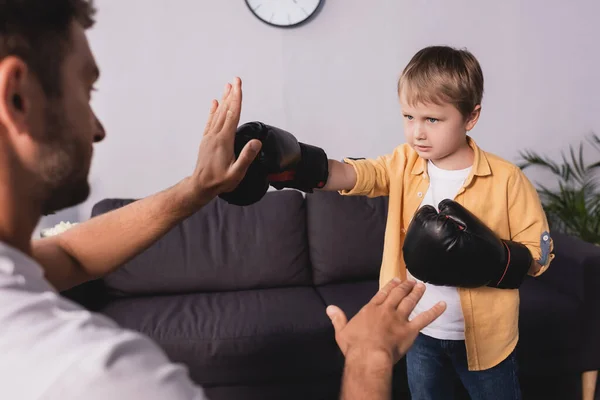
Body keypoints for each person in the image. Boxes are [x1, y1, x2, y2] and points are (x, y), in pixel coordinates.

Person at [0, 1, 446, 399]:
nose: (97, 128)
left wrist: (198, 188)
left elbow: (70, 254)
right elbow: (359, 172)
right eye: (87, 90)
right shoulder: (104, 377)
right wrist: (369, 359)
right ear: (17, 97)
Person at [221, 46, 555, 399]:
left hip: (488, 341)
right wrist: (301, 164)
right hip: (417, 333)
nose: (417, 133)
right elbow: (357, 174)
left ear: (471, 117)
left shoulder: (507, 179)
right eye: (409, 117)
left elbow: (540, 255)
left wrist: (491, 258)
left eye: (433, 120)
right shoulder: (403, 163)